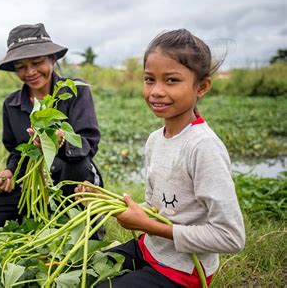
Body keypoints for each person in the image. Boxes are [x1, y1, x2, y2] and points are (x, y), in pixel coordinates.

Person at [77, 29, 245, 287]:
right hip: (149, 250)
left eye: (171, 80)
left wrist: (151, 227)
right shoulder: (156, 139)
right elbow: (156, 209)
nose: (156, 91)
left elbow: (231, 237)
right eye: (149, 79)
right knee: (81, 274)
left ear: (202, 87)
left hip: (183, 270)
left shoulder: (204, 147)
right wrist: (110, 204)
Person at [0, 23, 103, 227]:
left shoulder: (73, 91)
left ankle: (85, 220)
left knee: (77, 168)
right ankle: (39, 211)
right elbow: (16, 150)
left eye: (37, 62)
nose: (30, 72)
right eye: (21, 67)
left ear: (52, 59)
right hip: (31, 184)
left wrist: (60, 142)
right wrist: (10, 171)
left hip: (72, 180)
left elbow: (88, 144)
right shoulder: (12, 104)